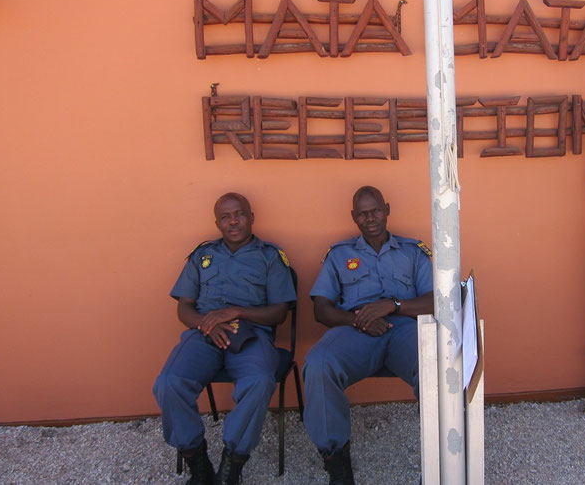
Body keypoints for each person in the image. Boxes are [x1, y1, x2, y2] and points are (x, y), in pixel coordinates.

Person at [153, 193, 297, 484]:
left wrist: (234, 312)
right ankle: (197, 458)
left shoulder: (270, 256)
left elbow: (279, 312)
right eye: (225, 216)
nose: (233, 221)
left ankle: (234, 461)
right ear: (217, 222)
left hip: (251, 334)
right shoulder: (202, 256)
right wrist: (206, 324)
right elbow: (184, 306)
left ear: (251, 217)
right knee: (169, 383)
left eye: (239, 214)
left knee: (259, 381)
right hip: (204, 333)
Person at [304, 186, 433, 484]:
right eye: (362, 213)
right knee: (319, 363)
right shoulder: (339, 255)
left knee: (435, 363)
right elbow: (321, 310)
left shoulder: (413, 251)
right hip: (355, 330)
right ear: (354, 217)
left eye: (375, 210)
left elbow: (436, 300)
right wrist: (358, 320)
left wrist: (393, 305)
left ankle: (440, 449)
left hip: (404, 328)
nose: (370, 217)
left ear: (387, 209)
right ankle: (336, 460)